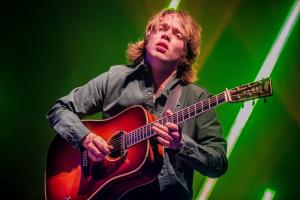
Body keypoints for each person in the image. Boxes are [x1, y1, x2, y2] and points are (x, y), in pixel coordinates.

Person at [46, 9, 228, 200]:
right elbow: (59, 109)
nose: (166, 35)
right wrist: (85, 138)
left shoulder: (198, 98)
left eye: (177, 34)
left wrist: (181, 144)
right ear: (148, 34)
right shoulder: (114, 79)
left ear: (185, 52)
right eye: (161, 28)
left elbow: (218, 163)